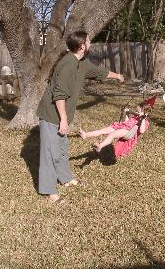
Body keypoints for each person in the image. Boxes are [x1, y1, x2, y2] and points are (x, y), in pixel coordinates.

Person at [36, 30, 124, 204]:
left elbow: (99, 72)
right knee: (50, 152)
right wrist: (62, 120)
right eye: (89, 41)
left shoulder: (81, 62)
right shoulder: (68, 64)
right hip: (52, 114)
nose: (91, 43)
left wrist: (117, 76)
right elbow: (59, 95)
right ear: (82, 46)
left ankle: (65, 178)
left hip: (63, 115)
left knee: (61, 148)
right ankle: (48, 190)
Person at [78, 101, 151, 159]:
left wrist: (143, 119)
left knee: (112, 134)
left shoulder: (145, 121)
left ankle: (100, 146)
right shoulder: (135, 117)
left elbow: (141, 131)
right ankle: (86, 135)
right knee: (103, 130)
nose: (136, 112)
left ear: (145, 113)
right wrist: (125, 113)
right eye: (136, 110)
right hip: (121, 126)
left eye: (138, 111)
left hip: (129, 132)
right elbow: (126, 122)